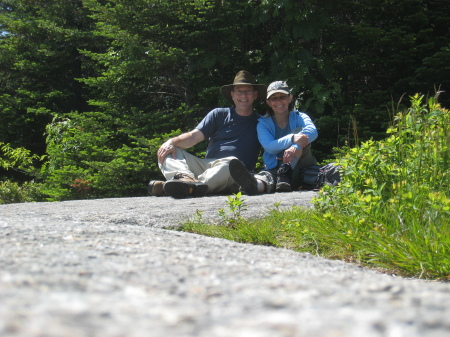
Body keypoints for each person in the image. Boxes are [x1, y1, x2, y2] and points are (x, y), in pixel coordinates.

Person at [148, 70, 266, 198]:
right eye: (239, 91)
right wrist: (171, 142)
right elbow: (193, 137)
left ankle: (182, 187)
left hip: (234, 173)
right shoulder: (218, 114)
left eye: (248, 91)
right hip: (207, 167)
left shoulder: (262, 123)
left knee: (232, 163)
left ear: (255, 95)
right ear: (232, 95)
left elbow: (273, 146)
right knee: (169, 151)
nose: (243, 95)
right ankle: (185, 180)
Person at [228, 80, 318, 194]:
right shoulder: (263, 124)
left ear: (290, 98)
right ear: (268, 102)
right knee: (264, 180)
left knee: (302, 138)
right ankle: (251, 185)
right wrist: (291, 138)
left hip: (302, 168)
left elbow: (313, 132)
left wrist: (295, 145)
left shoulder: (300, 117)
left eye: (282, 97)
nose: (278, 101)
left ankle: (285, 174)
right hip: (275, 171)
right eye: (274, 98)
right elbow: (269, 146)